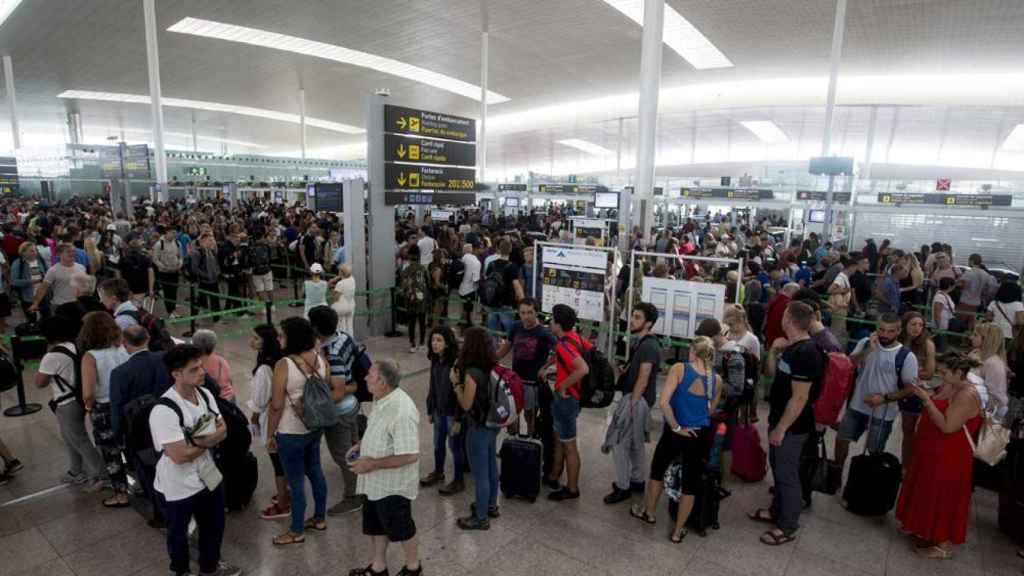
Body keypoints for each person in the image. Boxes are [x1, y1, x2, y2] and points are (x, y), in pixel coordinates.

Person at [150, 344, 241, 576]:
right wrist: (208, 441)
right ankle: (180, 570)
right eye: (194, 369)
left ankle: (209, 568)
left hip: (208, 474)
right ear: (176, 374)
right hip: (178, 486)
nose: (202, 372)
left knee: (214, 525)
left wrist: (198, 443)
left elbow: (224, 430)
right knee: (178, 533)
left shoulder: (205, 394)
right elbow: (179, 456)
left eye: (201, 366)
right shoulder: (164, 410)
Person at [748, 301, 825, 545]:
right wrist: (773, 351)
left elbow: (800, 396)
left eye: (783, 315)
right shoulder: (793, 348)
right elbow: (772, 375)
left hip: (792, 426)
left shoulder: (807, 353)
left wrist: (782, 428)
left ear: (790, 320)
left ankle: (788, 525)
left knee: (786, 475)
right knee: (779, 471)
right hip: (779, 419)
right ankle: (776, 511)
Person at [629, 336, 719, 543]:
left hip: (675, 430)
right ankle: (678, 531)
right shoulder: (717, 380)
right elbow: (710, 411)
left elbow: (664, 402)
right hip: (699, 435)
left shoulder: (679, 369)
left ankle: (649, 513)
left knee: (658, 470)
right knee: (690, 483)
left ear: (693, 352)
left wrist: (677, 427)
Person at [895, 352, 982, 560]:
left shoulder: (967, 395)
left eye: (944, 373)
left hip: (949, 454)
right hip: (932, 450)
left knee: (942, 495)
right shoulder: (953, 385)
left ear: (959, 373)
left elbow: (947, 426)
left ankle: (942, 544)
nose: (941, 377)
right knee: (926, 489)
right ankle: (924, 529)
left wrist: (925, 400)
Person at [348, 359, 422, 576]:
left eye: (370, 374)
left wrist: (371, 463)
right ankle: (378, 568)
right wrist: (362, 445)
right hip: (374, 483)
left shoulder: (402, 410)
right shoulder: (381, 398)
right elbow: (377, 429)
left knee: (402, 529)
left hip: (393, 486)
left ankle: (413, 568)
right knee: (375, 526)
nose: (364, 377)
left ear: (382, 381)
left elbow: (410, 454)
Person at [265, 317, 335, 545]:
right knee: (315, 470)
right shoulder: (321, 360)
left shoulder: (284, 364)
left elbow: (276, 405)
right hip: (315, 427)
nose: (278, 338)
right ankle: (319, 518)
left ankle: (296, 530)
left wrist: (270, 434)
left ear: (292, 337)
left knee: (295, 482)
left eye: (282, 334)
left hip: (290, 431)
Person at [834, 313, 919, 477]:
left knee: (874, 451)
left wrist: (884, 398)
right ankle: (836, 474)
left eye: (890, 331)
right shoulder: (866, 343)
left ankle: (865, 484)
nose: (885, 335)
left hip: (883, 413)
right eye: (881, 330)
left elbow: (910, 388)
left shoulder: (907, 356)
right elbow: (849, 364)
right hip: (856, 405)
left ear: (898, 331)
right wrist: (868, 350)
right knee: (841, 439)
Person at [35, 315, 105, 488]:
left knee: (78, 438)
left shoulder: (51, 356)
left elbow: (39, 383)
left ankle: (103, 475)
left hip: (66, 403)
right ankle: (76, 470)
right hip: (81, 397)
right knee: (69, 437)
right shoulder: (76, 346)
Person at [308, 305, 364, 516]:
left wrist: (313, 405)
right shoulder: (344, 337)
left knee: (344, 455)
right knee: (354, 449)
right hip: (352, 405)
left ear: (316, 329)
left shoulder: (331, 354)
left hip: (340, 411)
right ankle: (363, 485)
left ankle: (353, 497)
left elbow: (338, 392)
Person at [604, 303, 661, 505]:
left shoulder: (648, 346)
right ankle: (637, 480)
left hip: (636, 400)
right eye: (633, 316)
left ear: (648, 323)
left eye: (637, 317)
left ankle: (623, 486)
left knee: (620, 443)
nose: (632, 320)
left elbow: (644, 378)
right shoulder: (645, 343)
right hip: (638, 399)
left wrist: (631, 405)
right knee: (636, 444)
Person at [78, 310, 131, 507]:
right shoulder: (122, 349)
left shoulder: (90, 357)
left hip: (104, 408)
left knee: (111, 453)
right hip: (125, 405)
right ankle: (144, 484)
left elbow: (88, 392)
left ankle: (121, 493)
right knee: (130, 446)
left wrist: (88, 406)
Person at [452, 326, 500, 530]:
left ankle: (480, 518)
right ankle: (490, 505)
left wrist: (456, 385)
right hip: (493, 423)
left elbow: (466, 404)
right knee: (490, 466)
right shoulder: (491, 366)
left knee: (480, 474)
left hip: (478, 426)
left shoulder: (472, 373)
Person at [543, 303, 589, 501]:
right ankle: (554, 474)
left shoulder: (563, 345)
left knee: (569, 445)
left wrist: (562, 386)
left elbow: (582, 368)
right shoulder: (575, 337)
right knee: (560, 437)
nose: (549, 323)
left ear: (558, 324)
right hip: (573, 398)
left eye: (552, 320)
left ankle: (572, 488)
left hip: (567, 399)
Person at [246, 324, 291, 520]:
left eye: (256, 338)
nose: (251, 341)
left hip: (271, 418)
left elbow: (260, 398)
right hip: (286, 416)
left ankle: (283, 503)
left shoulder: (265, 368)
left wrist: (254, 416)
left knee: (277, 462)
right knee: (284, 460)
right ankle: (286, 493)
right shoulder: (281, 360)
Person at [496, 297, 557, 438]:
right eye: (523, 312)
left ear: (536, 313)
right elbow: (506, 347)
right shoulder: (515, 327)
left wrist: (545, 367)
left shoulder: (544, 333)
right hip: (515, 380)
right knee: (512, 413)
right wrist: (492, 360)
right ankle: (513, 441)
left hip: (532, 383)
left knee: (530, 415)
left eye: (529, 312)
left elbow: (560, 352)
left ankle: (530, 441)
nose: (526, 316)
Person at [420, 326, 465, 495]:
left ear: (447, 343)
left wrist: (459, 419)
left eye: (439, 340)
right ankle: (438, 472)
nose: (434, 343)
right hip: (439, 411)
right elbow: (433, 387)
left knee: (455, 447)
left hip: (452, 413)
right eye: (433, 340)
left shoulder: (456, 363)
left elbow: (461, 391)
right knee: (438, 445)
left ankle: (459, 480)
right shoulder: (435, 360)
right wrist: (430, 409)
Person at [899, 312, 936, 469]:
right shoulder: (897, 341)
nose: (917, 328)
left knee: (910, 431)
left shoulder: (927, 344)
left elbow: (929, 372)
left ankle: (907, 466)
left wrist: (906, 371)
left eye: (920, 325)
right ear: (905, 325)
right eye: (913, 324)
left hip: (914, 392)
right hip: (892, 388)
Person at [29, 243, 86, 313]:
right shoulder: (53, 270)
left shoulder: (81, 267)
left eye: (73, 251)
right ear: (59, 254)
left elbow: (84, 286)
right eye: (68, 251)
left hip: (78, 304)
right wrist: (35, 303)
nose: (72, 253)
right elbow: (43, 288)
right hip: (59, 305)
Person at [969, 322, 1009, 421]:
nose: (970, 337)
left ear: (987, 339)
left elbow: (995, 398)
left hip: (982, 413)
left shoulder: (994, 363)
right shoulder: (975, 353)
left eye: (975, 335)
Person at [484, 240, 524, 337]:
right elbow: (516, 285)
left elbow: (486, 279)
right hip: (506, 301)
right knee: (509, 329)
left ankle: (493, 348)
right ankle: (511, 348)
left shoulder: (491, 264)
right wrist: (523, 299)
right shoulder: (512, 267)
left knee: (491, 329)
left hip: (491, 299)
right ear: (510, 250)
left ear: (498, 249)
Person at [400, 245, 430, 353]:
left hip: (410, 299)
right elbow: (428, 283)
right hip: (422, 298)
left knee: (411, 322)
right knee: (422, 321)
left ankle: (412, 344)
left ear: (409, 256)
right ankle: (422, 343)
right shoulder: (423, 269)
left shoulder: (406, 270)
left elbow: (403, 287)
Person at [192, 330, 235, 402]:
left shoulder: (196, 365)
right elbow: (229, 381)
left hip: (213, 401)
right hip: (229, 398)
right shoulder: (222, 361)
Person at [11, 241, 48, 322]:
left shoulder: (40, 260)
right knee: (32, 320)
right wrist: (31, 281)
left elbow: (47, 273)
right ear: (23, 252)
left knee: (47, 318)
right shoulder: (18, 263)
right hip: (28, 298)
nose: (35, 252)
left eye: (35, 250)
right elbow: (14, 281)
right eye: (31, 251)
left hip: (42, 295)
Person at [957, 254, 998, 328]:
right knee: (971, 323)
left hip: (965, 301)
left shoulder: (968, 272)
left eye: (968, 261)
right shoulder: (985, 274)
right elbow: (991, 287)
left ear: (972, 261)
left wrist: (957, 283)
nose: (968, 262)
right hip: (977, 302)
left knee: (960, 323)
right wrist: (984, 295)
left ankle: (959, 338)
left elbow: (962, 286)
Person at [152, 225, 183, 318]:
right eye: (172, 233)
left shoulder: (178, 243)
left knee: (174, 292)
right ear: (166, 232)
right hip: (164, 273)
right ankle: (169, 312)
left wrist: (180, 264)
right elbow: (155, 259)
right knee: (167, 292)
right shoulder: (159, 244)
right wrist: (163, 267)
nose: (174, 235)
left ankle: (173, 310)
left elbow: (180, 256)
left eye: (175, 233)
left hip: (175, 271)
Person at [191, 232, 222, 323]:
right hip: (203, 281)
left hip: (214, 280)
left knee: (215, 300)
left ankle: (217, 318)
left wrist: (217, 272)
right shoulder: (197, 253)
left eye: (212, 240)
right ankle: (193, 320)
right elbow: (195, 268)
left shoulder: (211, 251)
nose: (212, 242)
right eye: (209, 240)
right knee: (199, 300)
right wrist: (205, 275)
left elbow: (216, 264)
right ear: (203, 241)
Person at [118, 234, 156, 303]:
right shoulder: (146, 259)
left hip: (127, 289)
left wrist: (121, 288)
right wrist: (151, 289)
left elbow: (118, 275)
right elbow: (151, 275)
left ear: (129, 248)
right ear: (140, 248)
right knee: (140, 308)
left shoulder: (123, 260)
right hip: (142, 289)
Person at [764, 283, 798, 348]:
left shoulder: (774, 300)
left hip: (770, 337)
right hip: (780, 341)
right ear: (794, 293)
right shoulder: (787, 304)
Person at [330, 263, 357, 336]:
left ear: (341, 272)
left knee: (341, 326)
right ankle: (351, 341)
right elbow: (343, 277)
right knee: (350, 326)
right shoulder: (352, 279)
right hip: (351, 305)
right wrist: (337, 278)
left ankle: (341, 341)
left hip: (341, 307)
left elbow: (335, 298)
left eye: (339, 271)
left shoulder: (340, 284)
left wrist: (332, 288)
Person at [458, 243, 481, 327]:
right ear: (471, 250)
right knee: (470, 307)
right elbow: (476, 278)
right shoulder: (476, 261)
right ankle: (469, 322)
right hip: (471, 288)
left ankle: (462, 320)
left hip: (461, 287)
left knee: (463, 305)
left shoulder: (462, 259)